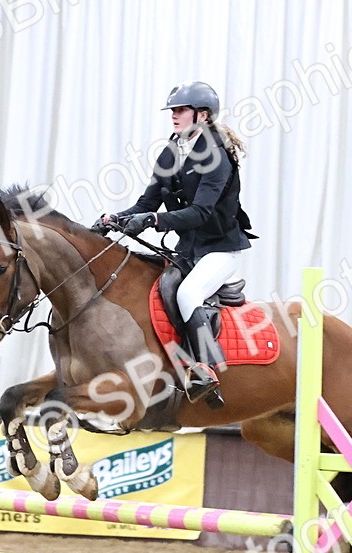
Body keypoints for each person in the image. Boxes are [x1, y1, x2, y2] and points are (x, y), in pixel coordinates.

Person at [99, 81, 255, 408]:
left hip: (219, 250)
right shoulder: (172, 152)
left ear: (202, 114)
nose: (174, 115)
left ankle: (205, 369)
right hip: (187, 251)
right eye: (173, 110)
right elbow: (148, 202)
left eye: (180, 110)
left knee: (188, 294)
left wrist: (155, 222)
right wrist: (116, 219)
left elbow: (200, 212)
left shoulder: (217, 156)